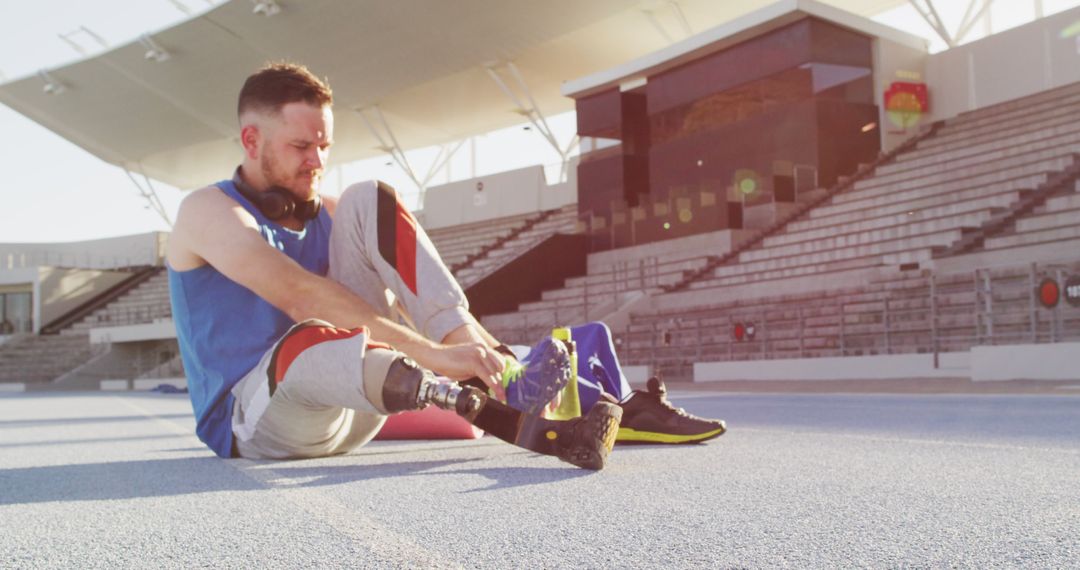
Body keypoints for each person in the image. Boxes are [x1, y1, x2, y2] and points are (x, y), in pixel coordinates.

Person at [166, 62, 721, 473]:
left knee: (369, 197)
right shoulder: (206, 213)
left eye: (324, 146)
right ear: (250, 139)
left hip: (357, 402)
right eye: (300, 147)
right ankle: (466, 383)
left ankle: (509, 378)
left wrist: (477, 353)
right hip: (257, 424)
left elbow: (388, 280)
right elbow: (300, 297)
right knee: (308, 337)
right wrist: (433, 357)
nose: (317, 161)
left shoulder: (329, 212)